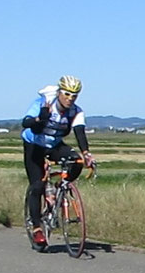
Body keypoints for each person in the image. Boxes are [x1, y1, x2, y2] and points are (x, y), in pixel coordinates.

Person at [19, 76, 91, 250]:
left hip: (54, 144)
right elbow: (26, 123)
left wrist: (86, 153)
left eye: (74, 95)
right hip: (34, 145)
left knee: (77, 161)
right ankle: (37, 228)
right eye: (67, 94)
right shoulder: (44, 103)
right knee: (37, 186)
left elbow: (80, 132)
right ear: (59, 92)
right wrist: (40, 119)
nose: (70, 99)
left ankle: (61, 187)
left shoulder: (76, 111)